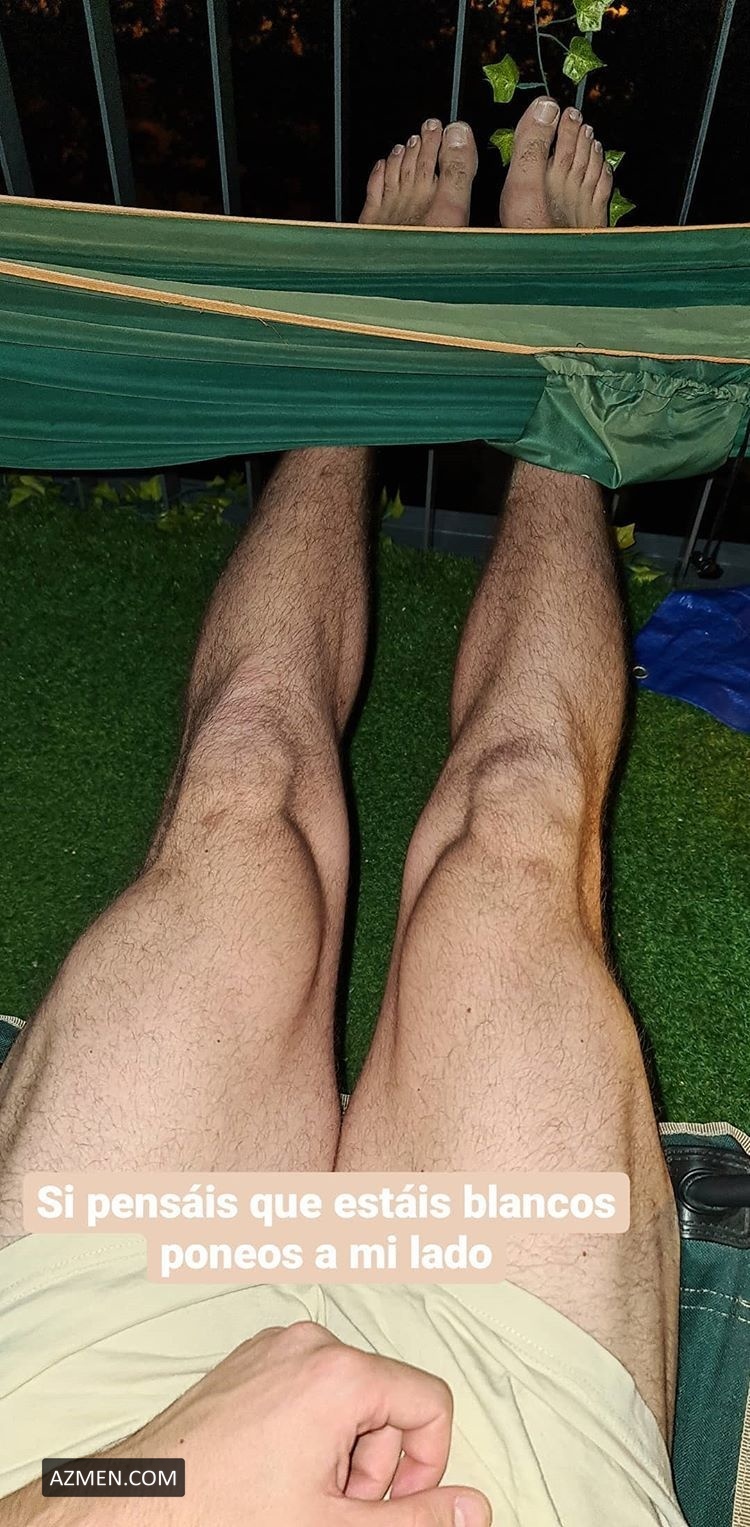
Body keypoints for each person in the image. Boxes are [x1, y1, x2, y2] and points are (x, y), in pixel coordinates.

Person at [0, 99, 686, 1526]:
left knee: (242, 780)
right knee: (519, 822)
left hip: (91, 1434)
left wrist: (138, 1487)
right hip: (509, 1443)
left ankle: (354, 376)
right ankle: (563, 383)